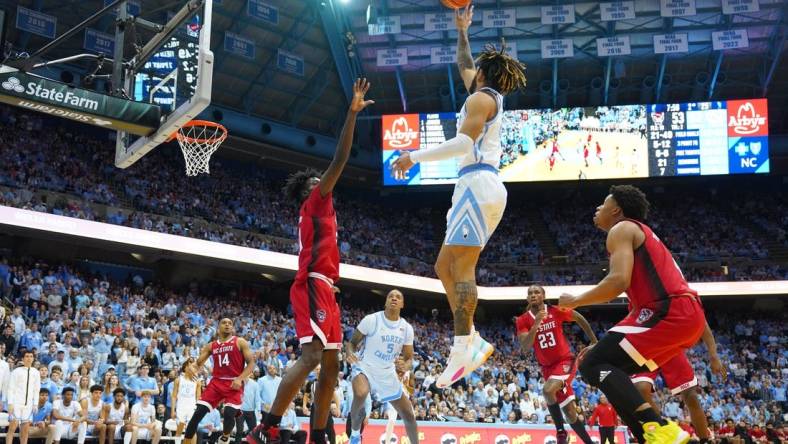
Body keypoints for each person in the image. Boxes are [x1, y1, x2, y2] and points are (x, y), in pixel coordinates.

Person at [391, 4, 527, 388]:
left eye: (476, 70)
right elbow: (465, 64)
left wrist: (413, 156)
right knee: (443, 266)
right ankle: (469, 340)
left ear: (483, 75)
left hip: (478, 182)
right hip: (473, 184)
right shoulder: (484, 94)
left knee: (462, 268)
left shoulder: (481, 100)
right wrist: (463, 30)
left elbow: (464, 142)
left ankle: (462, 346)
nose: (469, 72)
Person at [245, 78, 373, 444]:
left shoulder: (320, 211)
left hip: (327, 289)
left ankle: (318, 434)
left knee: (331, 368)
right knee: (313, 356)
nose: (325, 182)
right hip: (314, 283)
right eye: (318, 181)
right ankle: (266, 426)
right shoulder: (316, 200)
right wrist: (351, 114)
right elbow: (341, 159)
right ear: (310, 189)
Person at [558, 185, 706, 444]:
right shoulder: (642, 234)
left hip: (669, 311)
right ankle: (650, 436)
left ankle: (659, 426)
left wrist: (576, 301)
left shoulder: (622, 228)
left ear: (616, 210)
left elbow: (617, 282)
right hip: (684, 316)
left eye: (602, 205)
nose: (597, 209)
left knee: (592, 364)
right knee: (607, 372)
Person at [515, 285, 596, 444]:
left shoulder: (555, 310)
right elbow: (525, 346)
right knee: (570, 413)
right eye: (530, 293)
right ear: (527, 298)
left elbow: (579, 317)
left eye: (537, 292)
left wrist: (593, 340)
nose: (533, 295)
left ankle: (560, 432)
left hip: (565, 362)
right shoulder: (522, 320)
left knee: (547, 390)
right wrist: (536, 323)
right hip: (547, 368)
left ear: (543, 295)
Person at [344, 290, 418, 444]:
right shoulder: (372, 320)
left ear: (402, 304)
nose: (394, 298)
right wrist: (350, 353)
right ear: (385, 302)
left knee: (408, 414)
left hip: (386, 373)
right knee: (361, 393)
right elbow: (351, 343)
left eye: (398, 297)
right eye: (390, 296)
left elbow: (409, 357)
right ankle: (355, 435)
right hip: (364, 367)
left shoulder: (406, 328)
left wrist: (405, 365)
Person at [630, 328, 727, 443]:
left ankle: (705, 440)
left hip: (671, 347)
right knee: (640, 389)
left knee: (691, 397)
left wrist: (713, 355)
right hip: (647, 346)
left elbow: (703, 325)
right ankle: (664, 431)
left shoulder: (686, 310)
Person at [183, 318, 255, 444]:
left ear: (232, 328)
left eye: (230, 323)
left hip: (234, 382)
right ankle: (186, 442)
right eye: (224, 323)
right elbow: (198, 363)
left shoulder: (240, 342)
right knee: (197, 414)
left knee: (228, 413)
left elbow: (251, 364)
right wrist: (190, 368)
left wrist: (240, 378)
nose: (227, 325)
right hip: (216, 382)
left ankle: (225, 436)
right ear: (218, 327)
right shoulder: (211, 345)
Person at [7, 350, 42, 444]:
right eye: (27, 356)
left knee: (25, 430)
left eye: (31, 356)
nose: (29, 358)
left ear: (33, 358)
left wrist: (35, 404)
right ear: (22, 358)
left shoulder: (36, 372)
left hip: (29, 405)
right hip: (16, 403)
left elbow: (36, 390)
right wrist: (10, 403)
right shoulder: (16, 371)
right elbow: (11, 389)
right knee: (12, 428)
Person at [172, 359, 202, 437]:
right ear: (185, 367)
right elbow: (174, 396)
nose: (192, 368)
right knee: (179, 430)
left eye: (193, 367)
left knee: (192, 431)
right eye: (189, 366)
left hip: (192, 408)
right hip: (180, 408)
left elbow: (198, 398)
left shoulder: (197, 381)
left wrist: (198, 411)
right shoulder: (178, 380)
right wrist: (172, 410)